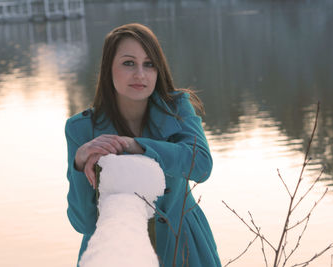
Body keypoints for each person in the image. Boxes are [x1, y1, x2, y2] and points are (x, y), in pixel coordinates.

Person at [65, 23, 221, 267]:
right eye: (129, 63)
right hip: (117, 253)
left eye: (149, 64)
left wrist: (136, 145)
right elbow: (83, 223)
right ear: (109, 69)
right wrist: (78, 162)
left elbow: (201, 165)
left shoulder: (178, 108)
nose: (140, 74)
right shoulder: (81, 129)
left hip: (184, 247)